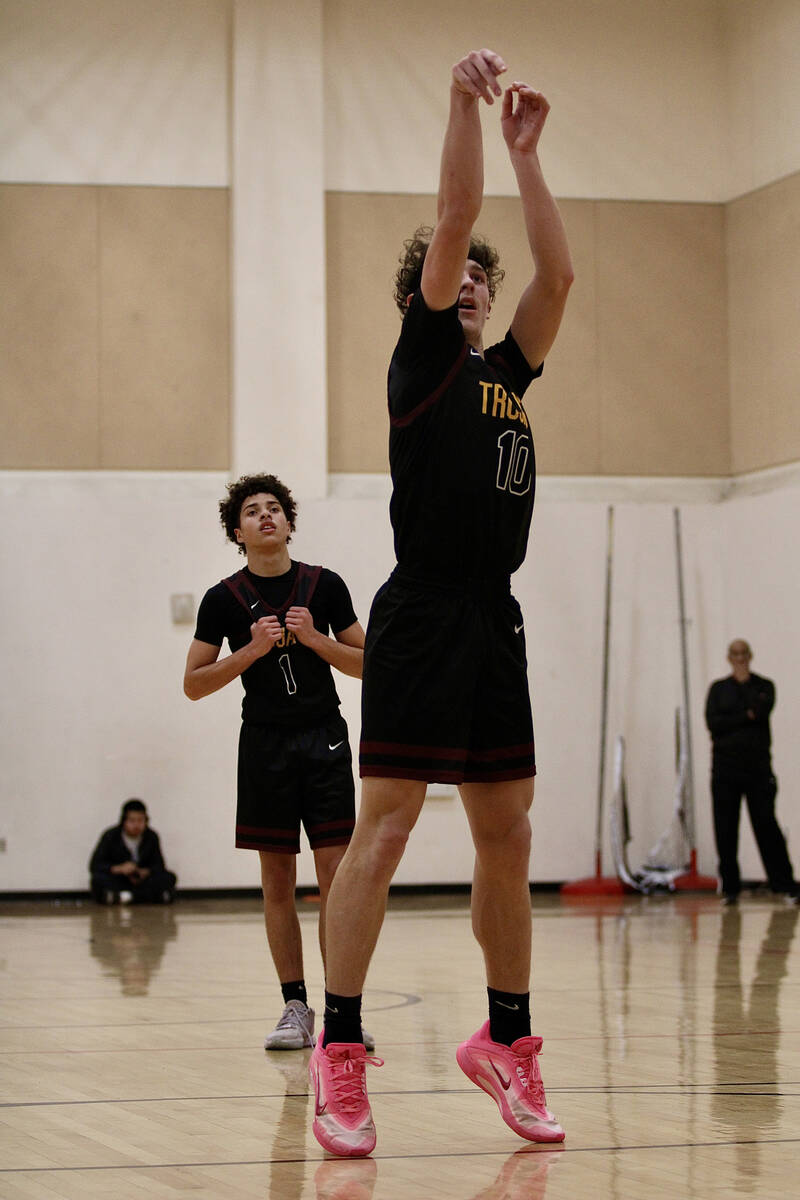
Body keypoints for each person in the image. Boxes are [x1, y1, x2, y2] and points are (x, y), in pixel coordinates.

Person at [309, 48, 573, 1157]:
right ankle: (338, 1048)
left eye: (477, 278)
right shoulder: (420, 362)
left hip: (491, 616)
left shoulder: (508, 371)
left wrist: (528, 154)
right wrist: (464, 105)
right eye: (452, 272)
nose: (468, 280)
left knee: (507, 831)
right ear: (428, 286)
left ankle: (505, 1040)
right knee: (384, 831)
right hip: (419, 612)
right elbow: (455, 214)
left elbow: (560, 277)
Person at [183, 473, 373, 1052]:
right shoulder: (221, 599)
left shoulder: (324, 585)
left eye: (274, 508)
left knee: (336, 876)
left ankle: (342, 1012)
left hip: (325, 740)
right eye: (251, 510)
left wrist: (316, 640)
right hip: (264, 745)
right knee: (277, 881)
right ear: (237, 532)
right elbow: (193, 684)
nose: (265, 515)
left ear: (289, 522)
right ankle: (295, 1006)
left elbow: (371, 663)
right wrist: (251, 650)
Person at [705, 639, 798, 905]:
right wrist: (743, 716)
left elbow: (759, 711)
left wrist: (735, 718)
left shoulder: (764, 686)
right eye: (735, 654)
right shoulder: (718, 689)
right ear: (728, 657)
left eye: (744, 653)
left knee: (767, 825)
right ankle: (730, 889)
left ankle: (784, 885)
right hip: (725, 770)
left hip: (757, 769)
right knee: (725, 830)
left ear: (751, 656)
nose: (740, 659)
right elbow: (714, 724)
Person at [89, 798, 177, 905]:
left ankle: (126, 897)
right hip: (120, 878)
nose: (136, 825)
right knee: (98, 879)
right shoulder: (111, 836)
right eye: (132, 821)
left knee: (169, 877)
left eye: (140, 820)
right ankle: (147, 897)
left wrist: (145, 871)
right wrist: (119, 868)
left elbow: (159, 865)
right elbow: (95, 865)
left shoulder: (151, 836)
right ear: (124, 821)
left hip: (142, 879)